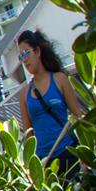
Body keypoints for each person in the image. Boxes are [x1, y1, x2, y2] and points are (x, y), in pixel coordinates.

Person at [16, 29, 86, 169]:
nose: (24, 60)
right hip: (44, 161)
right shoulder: (24, 93)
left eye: (26, 53)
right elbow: (28, 134)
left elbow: (78, 116)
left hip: (69, 153)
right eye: (20, 57)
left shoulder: (60, 79)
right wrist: (32, 167)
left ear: (37, 51)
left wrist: (85, 156)